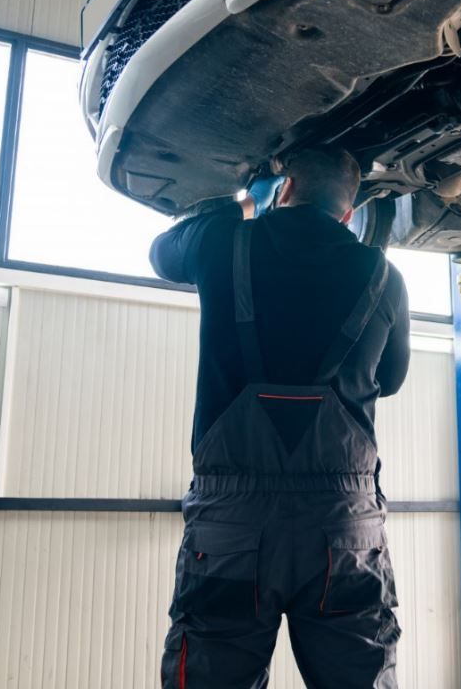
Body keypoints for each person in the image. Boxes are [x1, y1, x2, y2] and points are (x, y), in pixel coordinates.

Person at [151, 145, 410, 689]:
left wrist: (237, 205)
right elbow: (392, 379)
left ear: (283, 189)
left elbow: (162, 254)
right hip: (342, 524)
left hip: (232, 524)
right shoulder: (383, 277)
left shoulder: (224, 240)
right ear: (348, 213)